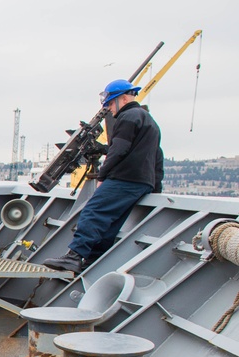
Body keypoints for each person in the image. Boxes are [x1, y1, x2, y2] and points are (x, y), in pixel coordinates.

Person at [42, 79, 163, 274]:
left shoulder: (128, 117)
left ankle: (74, 257)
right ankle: (93, 259)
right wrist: (156, 188)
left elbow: (120, 150)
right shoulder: (150, 121)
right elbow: (157, 157)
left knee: (93, 212)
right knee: (111, 222)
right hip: (141, 183)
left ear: (122, 99)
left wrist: (103, 176)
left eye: (109, 103)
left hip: (123, 179)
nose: (108, 108)